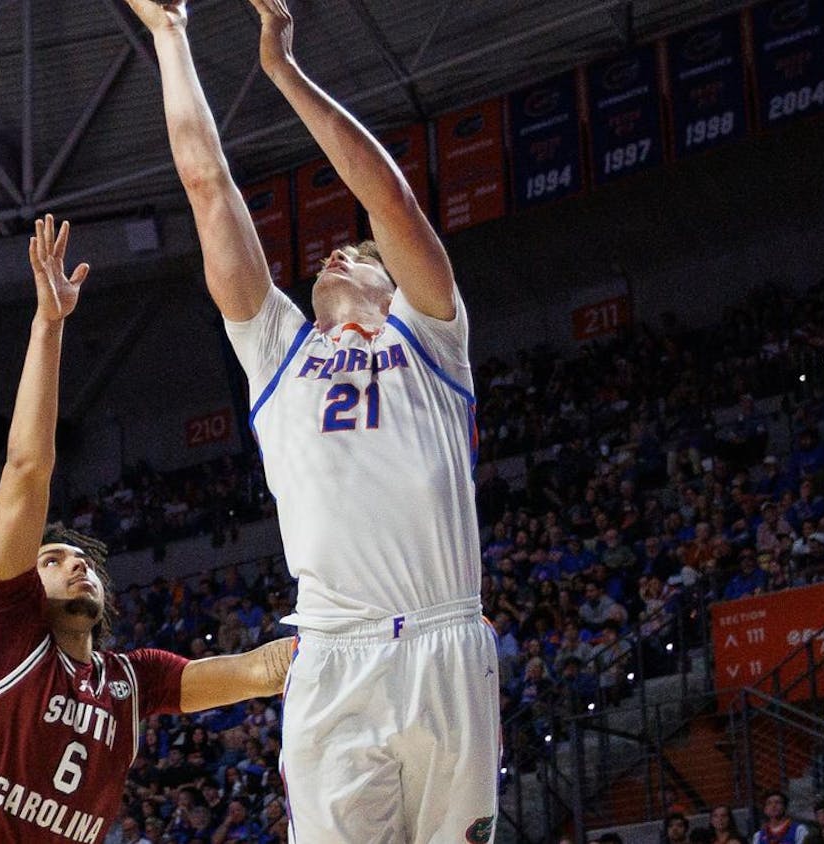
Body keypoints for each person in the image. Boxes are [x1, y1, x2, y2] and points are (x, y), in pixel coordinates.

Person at [123, 0, 499, 839]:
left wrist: (285, 73)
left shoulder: (433, 334)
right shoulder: (278, 352)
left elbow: (387, 196)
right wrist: (171, 38)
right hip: (332, 652)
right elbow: (208, 188)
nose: (334, 249)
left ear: (391, 284)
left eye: (356, 253)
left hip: (444, 638)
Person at [0, 216, 290, 843]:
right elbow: (28, 470)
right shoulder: (4, 639)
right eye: (53, 559)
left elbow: (262, 670)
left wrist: (369, 641)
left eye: (80, 559)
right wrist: (49, 325)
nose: (75, 563)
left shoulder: (133, 682)